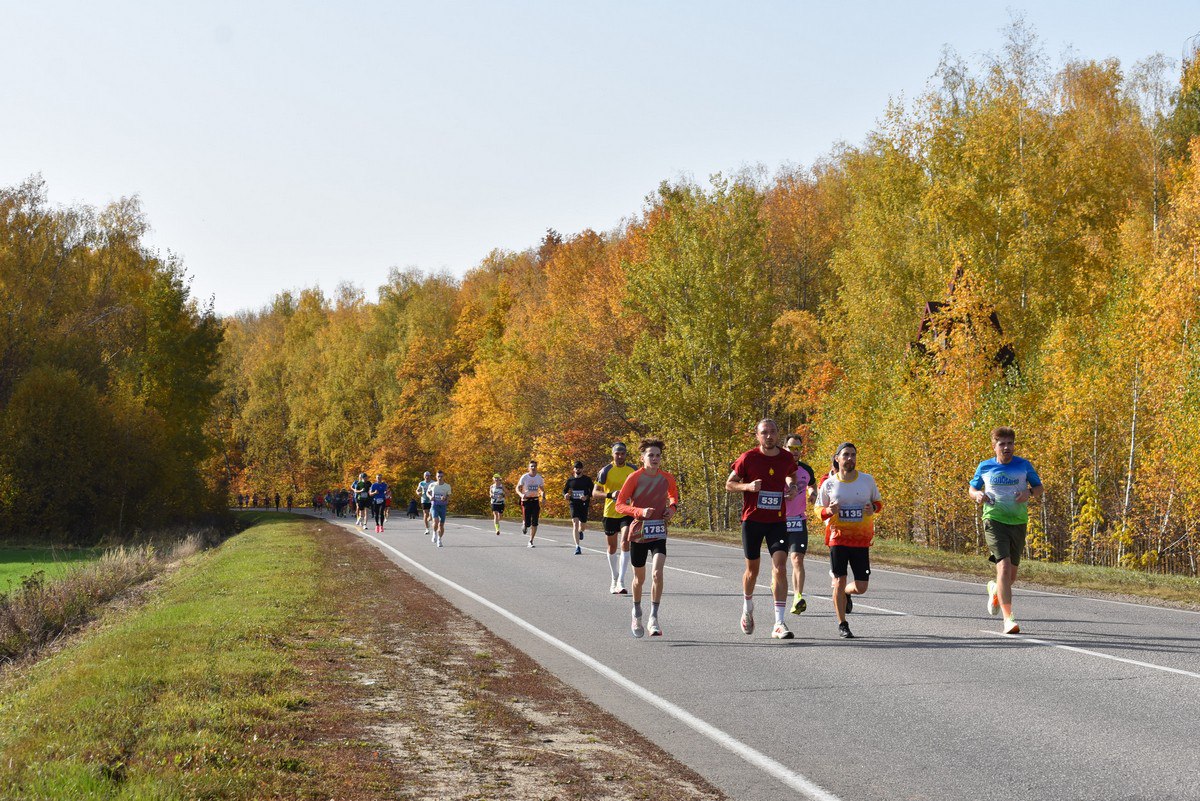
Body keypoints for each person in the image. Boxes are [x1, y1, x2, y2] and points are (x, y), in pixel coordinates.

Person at [726, 419, 800, 640]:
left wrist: (793, 486)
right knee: (752, 571)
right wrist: (747, 486)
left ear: (778, 435)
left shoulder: (786, 457)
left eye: (773, 432)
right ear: (757, 436)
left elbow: (792, 473)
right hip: (753, 521)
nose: (769, 436)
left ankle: (778, 622)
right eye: (764, 433)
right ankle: (747, 606)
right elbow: (729, 484)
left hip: (777, 520)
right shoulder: (748, 458)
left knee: (780, 567)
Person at [969, 426, 1044, 635]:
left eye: (1010, 443)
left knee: (1010, 577)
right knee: (1003, 567)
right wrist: (977, 495)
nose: (1007, 447)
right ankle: (1008, 619)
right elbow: (972, 488)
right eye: (1002, 443)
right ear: (994, 446)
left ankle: (994, 589)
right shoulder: (985, 467)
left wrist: (1029, 492)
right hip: (993, 520)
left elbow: (1039, 488)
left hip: (1018, 521)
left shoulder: (1024, 465)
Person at [815, 442, 882, 639]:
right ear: (837, 458)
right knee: (838, 580)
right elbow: (818, 509)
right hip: (838, 538)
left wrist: (874, 509)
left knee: (861, 586)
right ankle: (842, 623)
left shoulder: (867, 480)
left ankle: (846, 592)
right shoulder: (829, 484)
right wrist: (829, 511)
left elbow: (878, 502)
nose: (850, 458)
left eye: (853, 455)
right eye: (846, 455)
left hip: (861, 539)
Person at [615, 439, 678, 638]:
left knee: (657, 573)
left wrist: (671, 510)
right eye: (651, 455)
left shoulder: (667, 478)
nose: (655, 459)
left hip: (658, 530)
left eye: (658, 455)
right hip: (639, 532)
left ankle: (654, 618)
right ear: (642, 458)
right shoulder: (634, 477)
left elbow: (674, 498)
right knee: (639, 579)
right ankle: (636, 612)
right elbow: (619, 505)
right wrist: (639, 511)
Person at [783, 433, 818, 615]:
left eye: (798, 448)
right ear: (784, 448)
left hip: (798, 521)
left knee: (797, 559)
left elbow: (812, 484)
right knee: (780, 563)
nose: (795, 452)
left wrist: (813, 493)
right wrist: (784, 496)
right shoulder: (776, 468)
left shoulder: (806, 470)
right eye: (791, 448)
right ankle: (777, 584)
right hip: (779, 521)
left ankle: (797, 597)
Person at [594, 443, 636, 594]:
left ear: (626, 454)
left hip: (627, 512)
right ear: (612, 454)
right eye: (617, 453)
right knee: (612, 548)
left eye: (623, 453)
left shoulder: (633, 469)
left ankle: (621, 581)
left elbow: (640, 487)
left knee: (625, 541)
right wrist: (610, 495)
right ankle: (614, 578)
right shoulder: (605, 470)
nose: (620, 456)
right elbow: (595, 492)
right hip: (610, 513)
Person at [563, 461, 595, 555]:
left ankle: (581, 531)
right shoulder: (570, 480)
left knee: (582, 526)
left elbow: (593, 491)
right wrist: (565, 495)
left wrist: (586, 496)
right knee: (575, 524)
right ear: (574, 469)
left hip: (584, 504)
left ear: (582, 469)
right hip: (573, 503)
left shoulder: (587, 480)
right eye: (576, 468)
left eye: (580, 468)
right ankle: (577, 546)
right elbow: (564, 490)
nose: (578, 469)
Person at [517, 461, 546, 548]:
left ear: (537, 467)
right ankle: (525, 524)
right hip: (526, 501)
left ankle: (531, 541)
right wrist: (521, 494)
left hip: (535, 500)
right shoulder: (524, 477)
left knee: (535, 522)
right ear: (529, 468)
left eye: (535, 466)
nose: (533, 468)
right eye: (531, 466)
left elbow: (542, 490)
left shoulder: (539, 478)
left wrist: (543, 497)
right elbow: (517, 488)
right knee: (527, 523)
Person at [426, 470, 452, 547]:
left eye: (441, 476)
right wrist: (430, 497)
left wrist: (445, 498)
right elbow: (428, 492)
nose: (440, 478)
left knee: (441, 525)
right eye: (438, 476)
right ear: (436, 477)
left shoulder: (447, 486)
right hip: (434, 505)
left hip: (443, 506)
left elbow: (449, 496)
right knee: (436, 521)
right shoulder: (432, 485)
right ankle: (434, 533)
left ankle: (439, 540)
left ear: (443, 477)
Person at [416, 471, 433, 538]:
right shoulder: (421, 483)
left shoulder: (433, 483)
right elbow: (417, 490)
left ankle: (431, 520)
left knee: (431, 514)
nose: (427, 477)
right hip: (424, 500)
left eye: (428, 475)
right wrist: (418, 493)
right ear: (424, 476)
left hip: (432, 500)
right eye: (425, 475)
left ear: (430, 476)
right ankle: (427, 529)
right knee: (425, 514)